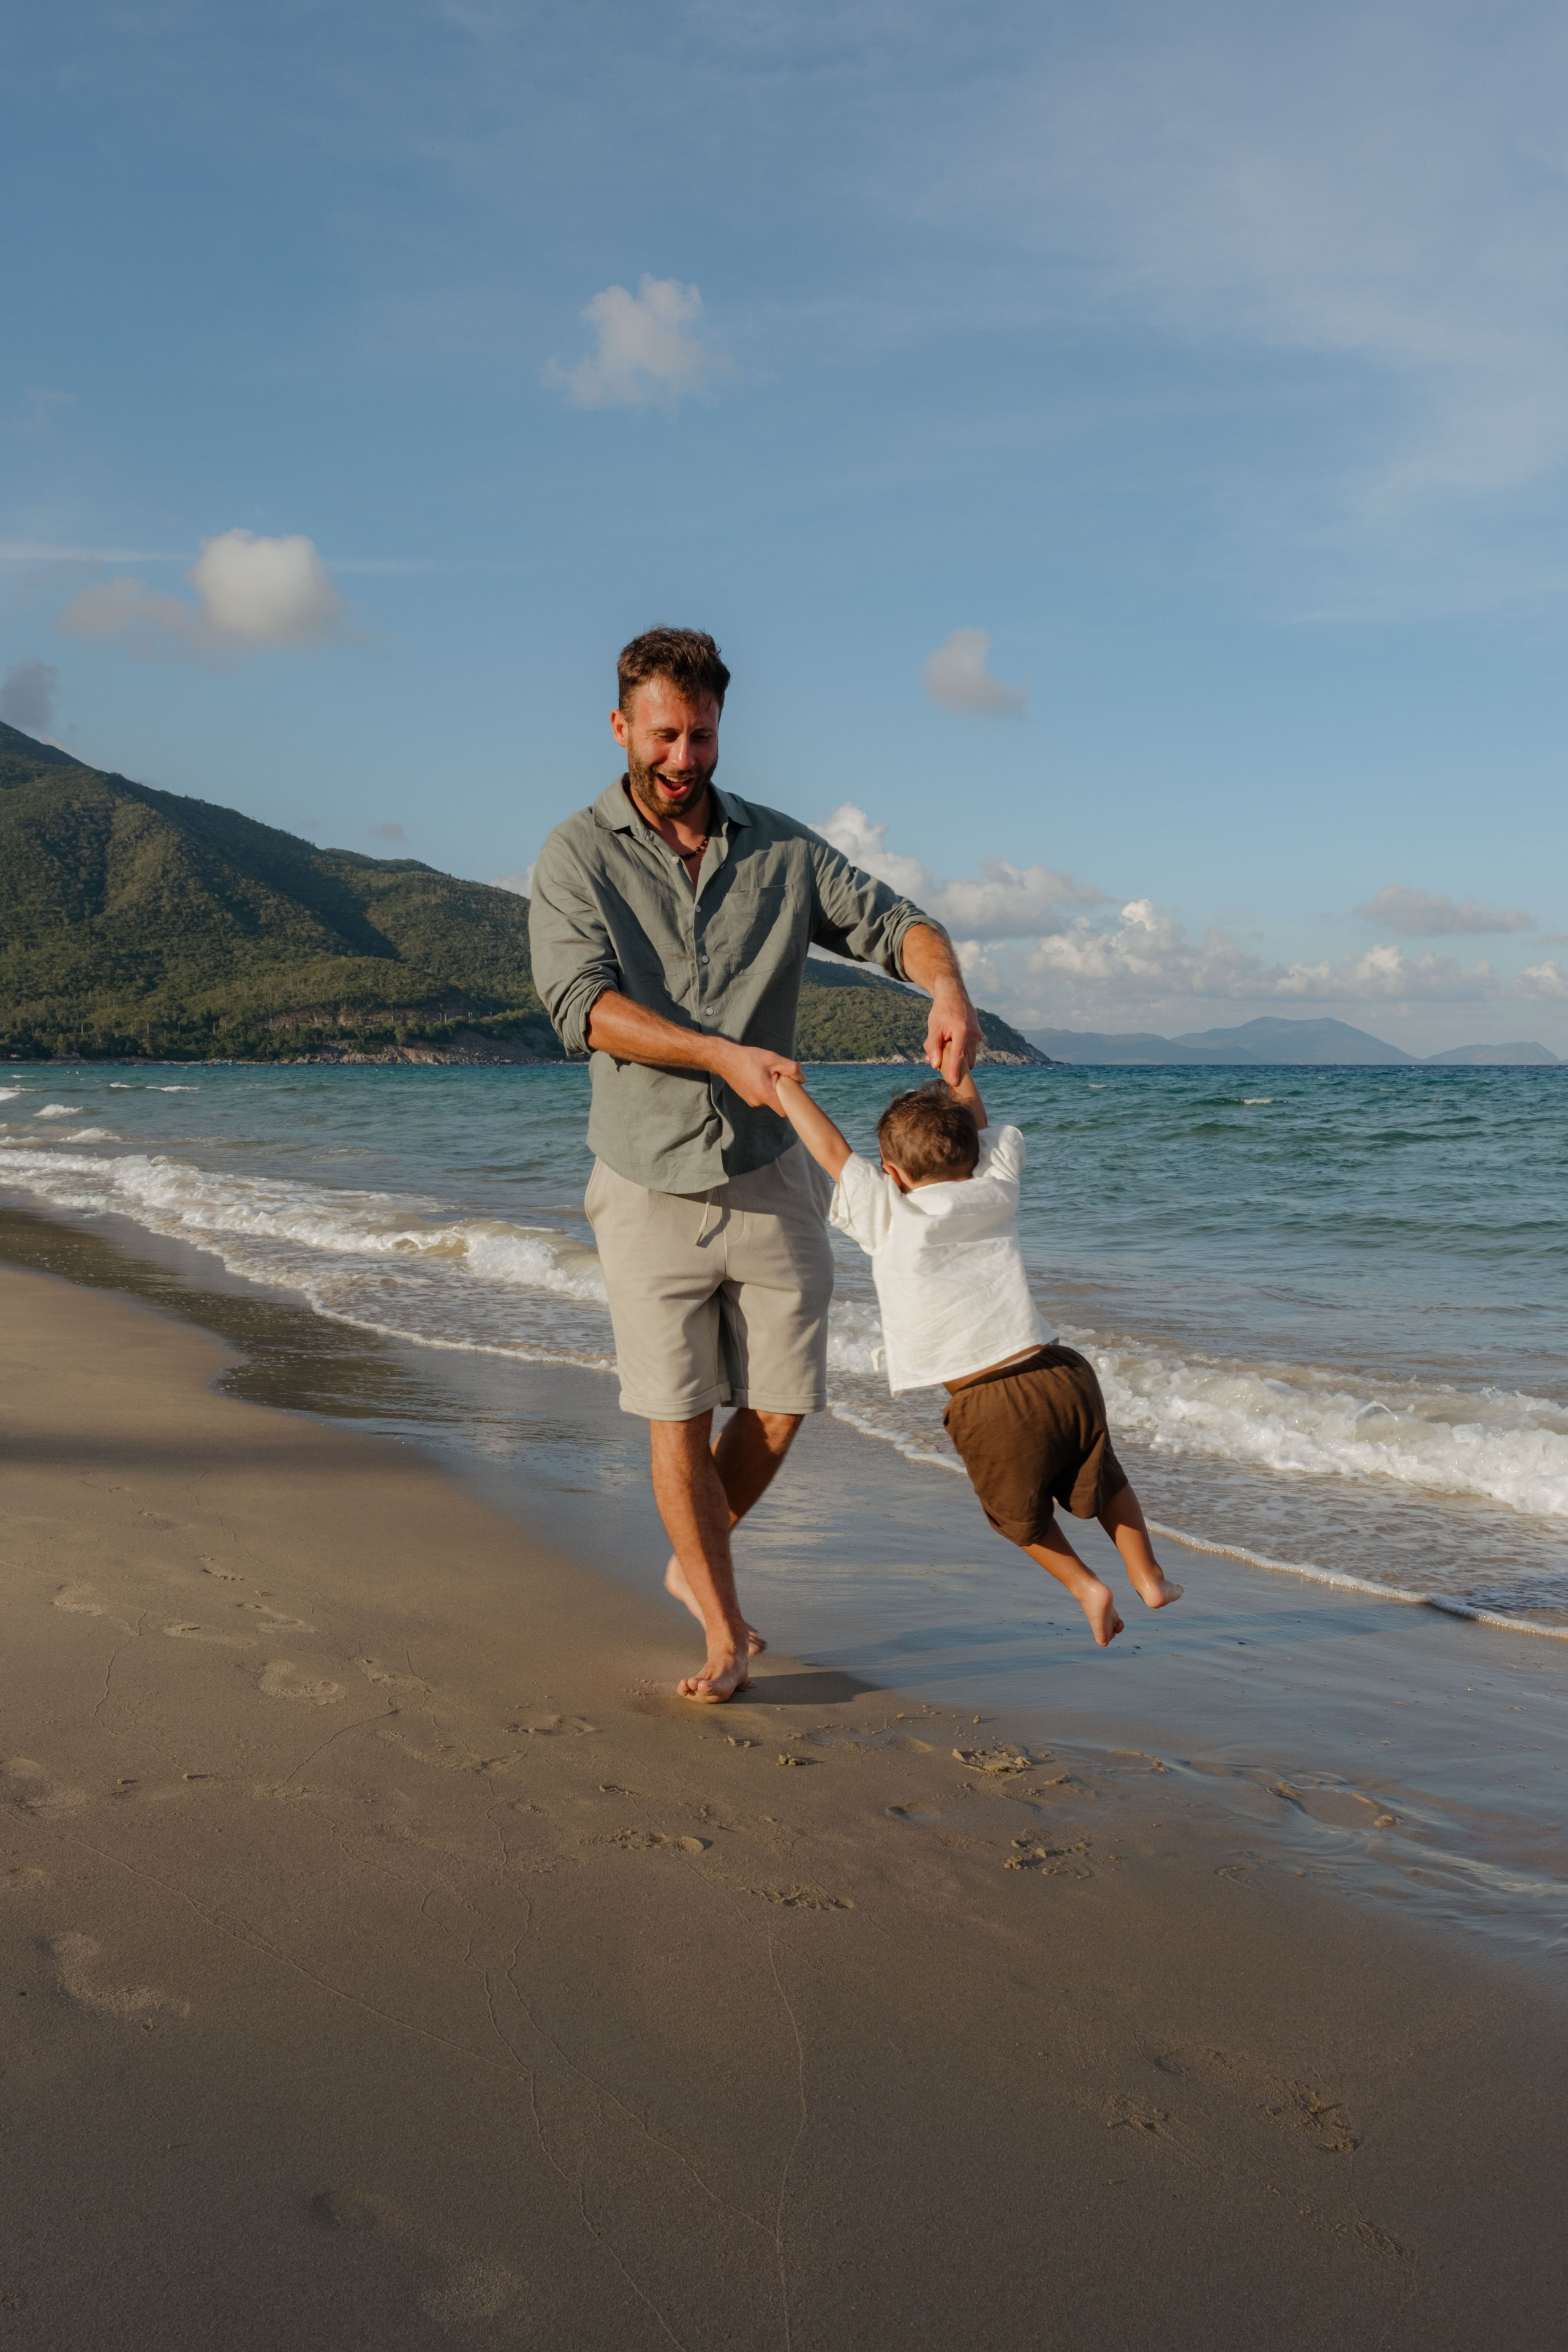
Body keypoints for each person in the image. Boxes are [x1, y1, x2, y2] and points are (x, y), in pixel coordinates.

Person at [528, 627, 979, 1702]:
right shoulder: (574, 857)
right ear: (621, 727)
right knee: (675, 1414)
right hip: (645, 1178)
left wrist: (947, 986)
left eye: (703, 735)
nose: (685, 759)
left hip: (775, 1170)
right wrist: (716, 1054)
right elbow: (579, 1006)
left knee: (782, 1402)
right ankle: (723, 1629)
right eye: (665, 735)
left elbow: (894, 925)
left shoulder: (780, 849)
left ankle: (695, 1564)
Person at [771, 1067, 1183, 1646]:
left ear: (891, 1173)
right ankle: (1150, 1576)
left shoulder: (890, 1213)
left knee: (1017, 1514)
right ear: (972, 1152)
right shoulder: (994, 1188)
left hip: (988, 1400)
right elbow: (982, 1129)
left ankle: (1087, 1587)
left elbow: (832, 1151)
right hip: (1061, 1370)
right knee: (1102, 1473)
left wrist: (782, 1085)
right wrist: (957, 1068)